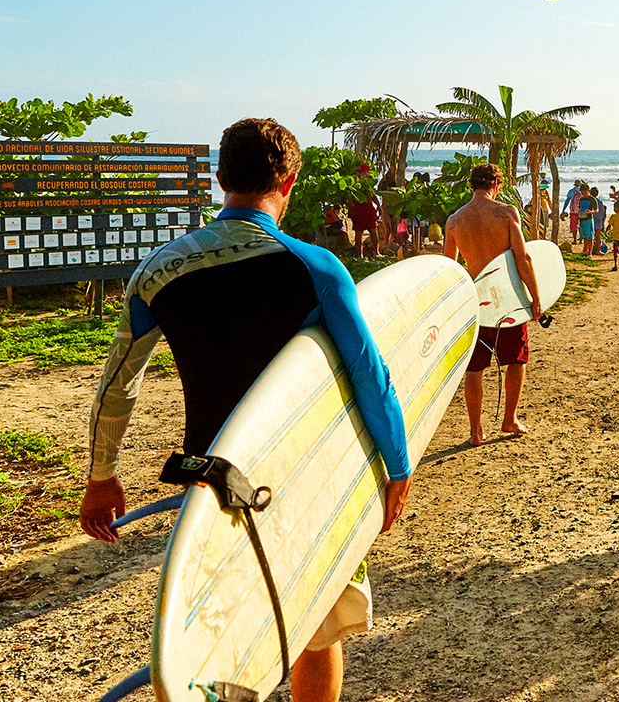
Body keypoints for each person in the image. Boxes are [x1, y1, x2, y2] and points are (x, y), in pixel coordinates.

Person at [80, 118, 411, 702]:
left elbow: (117, 385)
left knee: (223, 632)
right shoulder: (315, 266)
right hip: (307, 478)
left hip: (212, 484)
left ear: (218, 178)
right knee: (314, 627)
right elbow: (369, 373)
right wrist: (397, 463)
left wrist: (102, 475)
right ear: (289, 180)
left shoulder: (159, 270)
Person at [444, 163, 543, 444]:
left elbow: (450, 267)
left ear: (471, 185)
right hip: (507, 298)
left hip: (475, 300)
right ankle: (509, 419)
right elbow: (523, 259)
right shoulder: (507, 213)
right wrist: (536, 298)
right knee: (516, 358)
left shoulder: (455, 221)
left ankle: (475, 431)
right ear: (496, 184)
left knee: (474, 368)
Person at [347, 164, 381, 259]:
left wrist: (351, 207)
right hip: (365, 210)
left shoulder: (353, 181)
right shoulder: (365, 181)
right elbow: (372, 195)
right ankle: (376, 253)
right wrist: (378, 205)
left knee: (359, 233)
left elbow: (349, 198)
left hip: (359, 210)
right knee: (372, 231)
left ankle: (360, 255)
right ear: (366, 171)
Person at [577, 184, 597, 257]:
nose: (584, 194)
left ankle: (589, 252)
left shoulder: (592, 199)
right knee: (584, 237)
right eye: (582, 193)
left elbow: (596, 210)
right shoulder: (581, 199)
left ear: (589, 191)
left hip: (588, 219)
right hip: (582, 219)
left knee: (590, 237)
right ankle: (585, 251)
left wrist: (590, 212)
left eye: (585, 193)